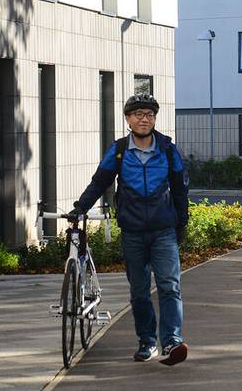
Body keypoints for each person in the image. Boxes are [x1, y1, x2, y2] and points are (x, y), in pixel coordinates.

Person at [69, 93, 190, 366]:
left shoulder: (168, 149)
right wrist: (81, 207)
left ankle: (171, 341)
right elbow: (100, 182)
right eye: (138, 114)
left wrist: (182, 222)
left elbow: (181, 189)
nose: (144, 119)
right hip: (133, 232)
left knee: (170, 286)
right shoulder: (120, 150)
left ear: (155, 119)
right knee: (138, 291)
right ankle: (147, 342)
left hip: (163, 231)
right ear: (128, 119)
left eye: (149, 114)